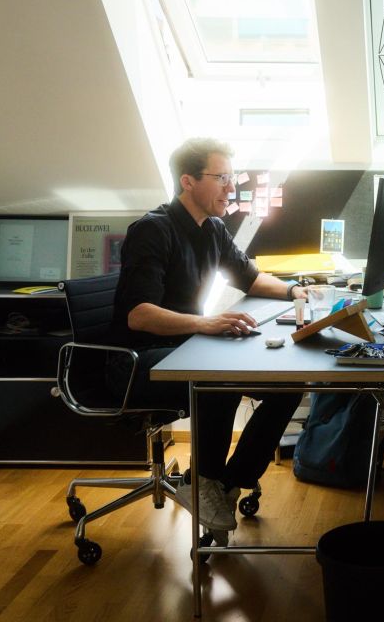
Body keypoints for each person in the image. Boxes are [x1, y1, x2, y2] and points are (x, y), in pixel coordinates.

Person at [112, 137, 307, 535]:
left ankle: (226, 483)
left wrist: (295, 291)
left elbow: (249, 278)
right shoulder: (152, 231)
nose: (230, 187)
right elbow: (138, 315)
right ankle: (204, 483)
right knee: (216, 377)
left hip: (185, 346)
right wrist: (206, 323)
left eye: (231, 178)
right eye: (221, 178)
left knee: (288, 384)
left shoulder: (213, 228)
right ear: (188, 181)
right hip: (137, 359)